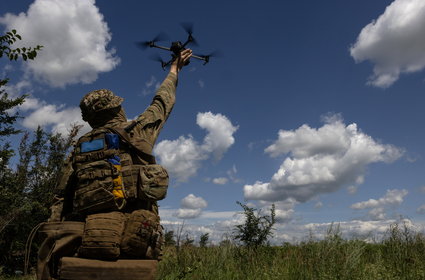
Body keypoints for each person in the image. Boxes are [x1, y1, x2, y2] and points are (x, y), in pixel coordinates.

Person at [36, 49, 193, 280]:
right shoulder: (138, 131)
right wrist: (174, 69)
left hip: (89, 241)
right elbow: (162, 102)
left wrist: (56, 241)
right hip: (135, 239)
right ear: (117, 108)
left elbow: (60, 199)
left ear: (90, 119)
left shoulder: (79, 148)